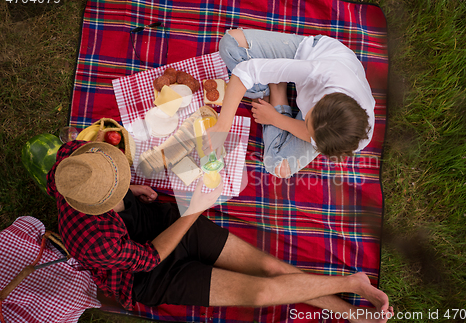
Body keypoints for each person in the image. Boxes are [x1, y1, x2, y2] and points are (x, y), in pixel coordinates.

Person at [47, 141, 392, 322]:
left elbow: (101, 181)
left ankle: (353, 314)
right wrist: (195, 207)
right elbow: (150, 257)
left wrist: (130, 188)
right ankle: (353, 283)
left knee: (269, 267)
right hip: (149, 275)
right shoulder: (90, 241)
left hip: (160, 222)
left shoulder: (75, 161)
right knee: (258, 293)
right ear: (96, 206)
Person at [205, 29, 375, 178]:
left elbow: (311, 134)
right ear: (319, 99)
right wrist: (222, 126)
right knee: (231, 44)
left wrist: (275, 118)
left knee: (278, 166)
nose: (309, 133)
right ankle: (275, 85)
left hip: (319, 111)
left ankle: (275, 90)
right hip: (312, 54)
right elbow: (245, 72)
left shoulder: (354, 137)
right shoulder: (317, 72)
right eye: (308, 123)